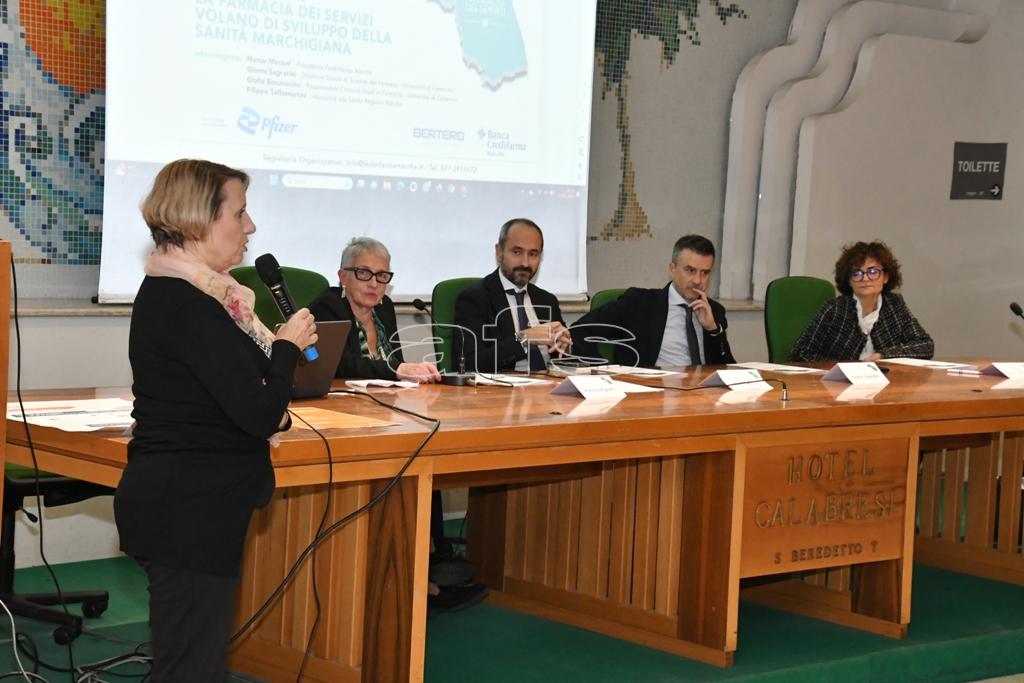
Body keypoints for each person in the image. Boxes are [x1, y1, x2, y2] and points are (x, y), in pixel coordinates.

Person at [113, 159, 318, 682]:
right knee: (191, 669)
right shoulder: (187, 303)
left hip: (198, 505)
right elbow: (257, 412)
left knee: (196, 663)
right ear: (199, 220)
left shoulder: (207, 296)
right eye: (240, 213)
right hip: (187, 509)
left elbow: (230, 394)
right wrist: (287, 349)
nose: (250, 226)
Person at [571, 234, 735, 367]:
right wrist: (605, 371)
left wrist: (713, 330)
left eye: (705, 273)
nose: (698, 280)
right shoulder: (638, 303)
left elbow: (727, 368)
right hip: (652, 390)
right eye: (690, 270)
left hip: (702, 393)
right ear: (672, 269)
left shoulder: (714, 310)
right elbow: (579, 331)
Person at [308, 236, 441, 383]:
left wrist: (414, 371)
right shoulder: (328, 305)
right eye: (363, 273)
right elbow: (341, 365)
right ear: (343, 276)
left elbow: (396, 361)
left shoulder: (384, 307)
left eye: (381, 275)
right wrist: (397, 369)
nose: (373, 284)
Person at [454, 218, 571, 373]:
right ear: (499, 251)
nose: (525, 263)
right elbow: (468, 364)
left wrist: (566, 346)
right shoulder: (475, 299)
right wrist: (524, 338)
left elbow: (564, 359)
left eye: (533, 254)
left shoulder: (547, 300)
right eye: (517, 252)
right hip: (505, 387)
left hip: (550, 383)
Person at [789, 240, 933, 362]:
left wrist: (883, 355)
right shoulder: (835, 309)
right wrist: (840, 369)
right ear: (849, 280)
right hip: (839, 382)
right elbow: (800, 352)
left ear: (886, 277)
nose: (865, 278)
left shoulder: (894, 305)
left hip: (884, 380)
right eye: (857, 273)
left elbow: (925, 345)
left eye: (873, 272)